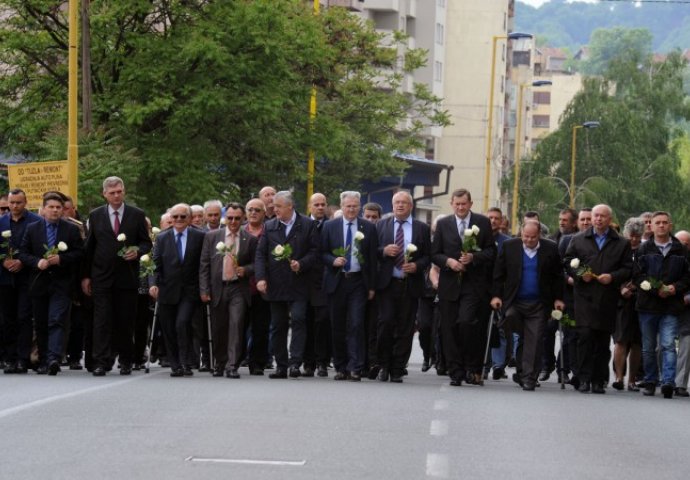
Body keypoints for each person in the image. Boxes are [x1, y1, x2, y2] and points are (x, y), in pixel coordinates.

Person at [81, 176, 152, 376]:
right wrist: (86, 276)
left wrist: (137, 251)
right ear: (104, 194)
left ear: (124, 191)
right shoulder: (95, 215)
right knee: (101, 321)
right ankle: (101, 362)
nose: (116, 196)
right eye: (112, 193)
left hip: (126, 278)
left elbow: (147, 243)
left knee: (125, 321)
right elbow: (90, 246)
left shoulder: (136, 214)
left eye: (119, 191)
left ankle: (126, 360)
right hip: (101, 276)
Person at [564, 204, 632, 394]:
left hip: (607, 298)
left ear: (609, 219)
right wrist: (580, 273)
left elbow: (628, 268)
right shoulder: (578, 239)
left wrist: (613, 277)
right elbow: (568, 261)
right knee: (584, 336)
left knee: (602, 340)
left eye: (603, 216)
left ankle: (598, 379)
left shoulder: (621, 243)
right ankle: (583, 378)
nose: (598, 219)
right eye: (596, 216)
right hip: (584, 297)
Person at [431, 188, 495, 387]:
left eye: (464, 204)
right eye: (457, 204)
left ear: (470, 204)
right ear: (451, 204)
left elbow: (491, 251)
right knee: (449, 329)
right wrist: (449, 262)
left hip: (473, 285)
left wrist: (473, 258)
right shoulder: (443, 224)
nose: (460, 207)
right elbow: (434, 254)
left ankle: (471, 366)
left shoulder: (482, 223)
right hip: (449, 284)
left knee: (467, 323)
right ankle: (455, 371)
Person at [491, 221, 564, 391]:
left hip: (538, 303)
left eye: (533, 237)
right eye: (525, 236)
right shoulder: (510, 246)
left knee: (535, 339)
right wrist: (495, 295)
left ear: (539, 235)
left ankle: (529, 377)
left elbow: (557, 276)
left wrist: (558, 299)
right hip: (515, 302)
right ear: (520, 234)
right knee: (516, 326)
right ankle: (522, 368)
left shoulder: (550, 248)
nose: (529, 240)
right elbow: (498, 273)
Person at [17, 193, 84, 375]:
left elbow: (79, 253)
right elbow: (22, 253)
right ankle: (44, 359)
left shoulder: (70, 230)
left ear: (62, 210)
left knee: (57, 319)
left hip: (61, 283)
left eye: (58, 207)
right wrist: (37, 262)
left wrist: (61, 259)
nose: (55, 210)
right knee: (40, 322)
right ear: (44, 209)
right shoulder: (32, 229)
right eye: (51, 207)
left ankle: (54, 357)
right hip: (39, 282)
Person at [255, 191, 319, 379]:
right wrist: (261, 278)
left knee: (299, 320)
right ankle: (281, 365)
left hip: (299, 283)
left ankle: (295, 363)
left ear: (290, 206)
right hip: (276, 283)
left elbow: (315, 252)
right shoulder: (269, 226)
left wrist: (302, 263)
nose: (274, 210)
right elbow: (261, 254)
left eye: (278, 206)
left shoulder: (307, 224)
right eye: (273, 207)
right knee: (278, 325)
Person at [375, 191, 431, 383]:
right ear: (392, 205)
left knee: (406, 328)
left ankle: (398, 367)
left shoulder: (422, 228)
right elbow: (372, 250)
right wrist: (384, 251)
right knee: (385, 323)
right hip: (388, 284)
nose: (400, 205)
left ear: (411, 206)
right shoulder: (381, 225)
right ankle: (384, 364)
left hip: (409, 284)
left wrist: (417, 266)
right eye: (397, 202)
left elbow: (428, 256)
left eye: (404, 203)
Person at [321, 191, 377, 381]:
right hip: (337, 281)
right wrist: (332, 260)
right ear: (341, 206)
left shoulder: (368, 228)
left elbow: (371, 258)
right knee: (337, 325)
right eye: (348, 206)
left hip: (358, 282)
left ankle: (356, 367)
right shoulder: (330, 226)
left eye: (355, 206)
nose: (351, 209)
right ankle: (340, 366)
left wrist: (371, 287)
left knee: (356, 324)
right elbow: (322, 253)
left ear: (359, 206)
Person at [633, 211, 690, 398]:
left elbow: (688, 276)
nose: (661, 226)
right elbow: (638, 275)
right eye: (658, 222)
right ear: (652, 226)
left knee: (667, 344)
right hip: (648, 305)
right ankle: (650, 380)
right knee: (649, 347)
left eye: (665, 222)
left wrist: (675, 288)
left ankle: (668, 381)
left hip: (671, 305)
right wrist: (654, 289)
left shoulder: (681, 250)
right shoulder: (643, 249)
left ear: (670, 225)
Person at [200, 203, 258, 378]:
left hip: (238, 288)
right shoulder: (212, 237)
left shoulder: (250, 239)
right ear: (225, 218)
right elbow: (204, 265)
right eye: (230, 218)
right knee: (219, 327)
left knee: (236, 324)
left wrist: (246, 270)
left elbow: (257, 263)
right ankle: (220, 363)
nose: (233, 222)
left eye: (237, 218)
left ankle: (232, 365)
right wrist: (204, 289)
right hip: (218, 288)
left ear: (243, 219)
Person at [149, 204, 205, 377]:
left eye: (183, 216)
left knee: (182, 323)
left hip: (189, 290)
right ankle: (175, 364)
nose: (179, 220)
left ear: (189, 218)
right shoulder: (162, 238)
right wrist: (153, 284)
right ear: (171, 219)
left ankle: (186, 361)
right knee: (169, 328)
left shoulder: (199, 236)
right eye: (176, 217)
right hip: (167, 290)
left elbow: (204, 264)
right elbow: (154, 265)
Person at [1, 189, 42, 374]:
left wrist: (22, 261)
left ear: (25, 202)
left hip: (27, 278)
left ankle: (23, 358)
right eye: (12, 202)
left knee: (24, 317)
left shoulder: (36, 222)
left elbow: (40, 248)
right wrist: (4, 260)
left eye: (18, 202)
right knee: (7, 319)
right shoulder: (1, 222)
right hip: (4, 278)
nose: (15, 206)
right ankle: (9, 358)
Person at [612, 217, 644, 392]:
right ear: (626, 234)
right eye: (631, 235)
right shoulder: (618, 249)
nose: (634, 240)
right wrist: (620, 288)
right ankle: (619, 376)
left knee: (637, 342)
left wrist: (636, 286)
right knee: (621, 340)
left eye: (638, 236)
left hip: (640, 299)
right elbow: (611, 270)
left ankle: (632, 379)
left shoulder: (645, 249)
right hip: (621, 301)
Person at [304, 193, 330, 377]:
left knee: (322, 323)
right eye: (317, 204)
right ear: (310, 206)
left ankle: (322, 361)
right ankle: (308, 362)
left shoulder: (332, 225)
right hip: (305, 282)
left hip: (325, 282)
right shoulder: (303, 225)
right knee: (305, 322)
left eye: (323, 204)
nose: (320, 207)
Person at [243, 198, 271, 374]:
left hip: (264, 287)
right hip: (242, 287)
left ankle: (258, 362)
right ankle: (238, 358)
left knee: (261, 327)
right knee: (240, 325)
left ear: (264, 213)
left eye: (257, 210)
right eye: (250, 209)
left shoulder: (270, 231)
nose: (253, 213)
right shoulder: (239, 231)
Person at [673, 230, 690, 397]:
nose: (682, 247)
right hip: (665, 307)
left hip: (686, 309)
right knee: (661, 345)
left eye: (686, 244)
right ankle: (663, 379)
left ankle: (680, 384)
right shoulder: (668, 258)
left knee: (686, 344)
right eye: (679, 243)